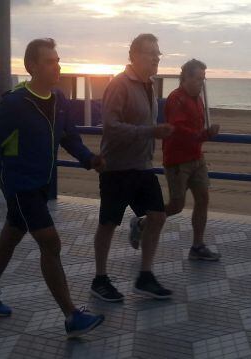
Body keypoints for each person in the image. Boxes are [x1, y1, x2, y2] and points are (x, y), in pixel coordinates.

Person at [0, 38, 105, 338]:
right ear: (31, 66)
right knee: (50, 242)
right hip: (19, 185)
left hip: (41, 184)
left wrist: (90, 159)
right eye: (49, 61)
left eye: (57, 60)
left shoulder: (59, 99)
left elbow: (69, 138)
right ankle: (72, 315)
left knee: (10, 237)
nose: (56, 65)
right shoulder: (15, 103)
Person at [90, 33, 174, 302]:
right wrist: (151, 131)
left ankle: (145, 276)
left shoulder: (149, 85)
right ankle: (100, 279)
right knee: (108, 223)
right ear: (134, 56)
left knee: (158, 216)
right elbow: (110, 127)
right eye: (151, 52)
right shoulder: (120, 85)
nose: (156, 57)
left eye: (158, 53)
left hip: (142, 166)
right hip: (117, 167)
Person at [162, 59, 221, 261]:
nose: (200, 83)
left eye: (203, 79)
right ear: (185, 78)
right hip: (178, 161)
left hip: (197, 157)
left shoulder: (198, 99)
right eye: (197, 79)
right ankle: (143, 224)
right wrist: (204, 135)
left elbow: (196, 129)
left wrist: (204, 134)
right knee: (176, 205)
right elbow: (179, 131)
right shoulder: (175, 99)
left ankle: (197, 245)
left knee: (203, 198)